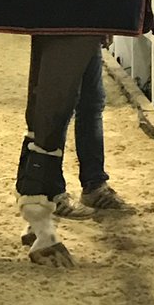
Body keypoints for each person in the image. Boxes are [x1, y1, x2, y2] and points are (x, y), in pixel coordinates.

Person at [52, 41, 131, 217]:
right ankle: (50, 190)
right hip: (62, 26)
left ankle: (93, 184)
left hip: (87, 26)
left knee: (91, 102)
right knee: (59, 104)